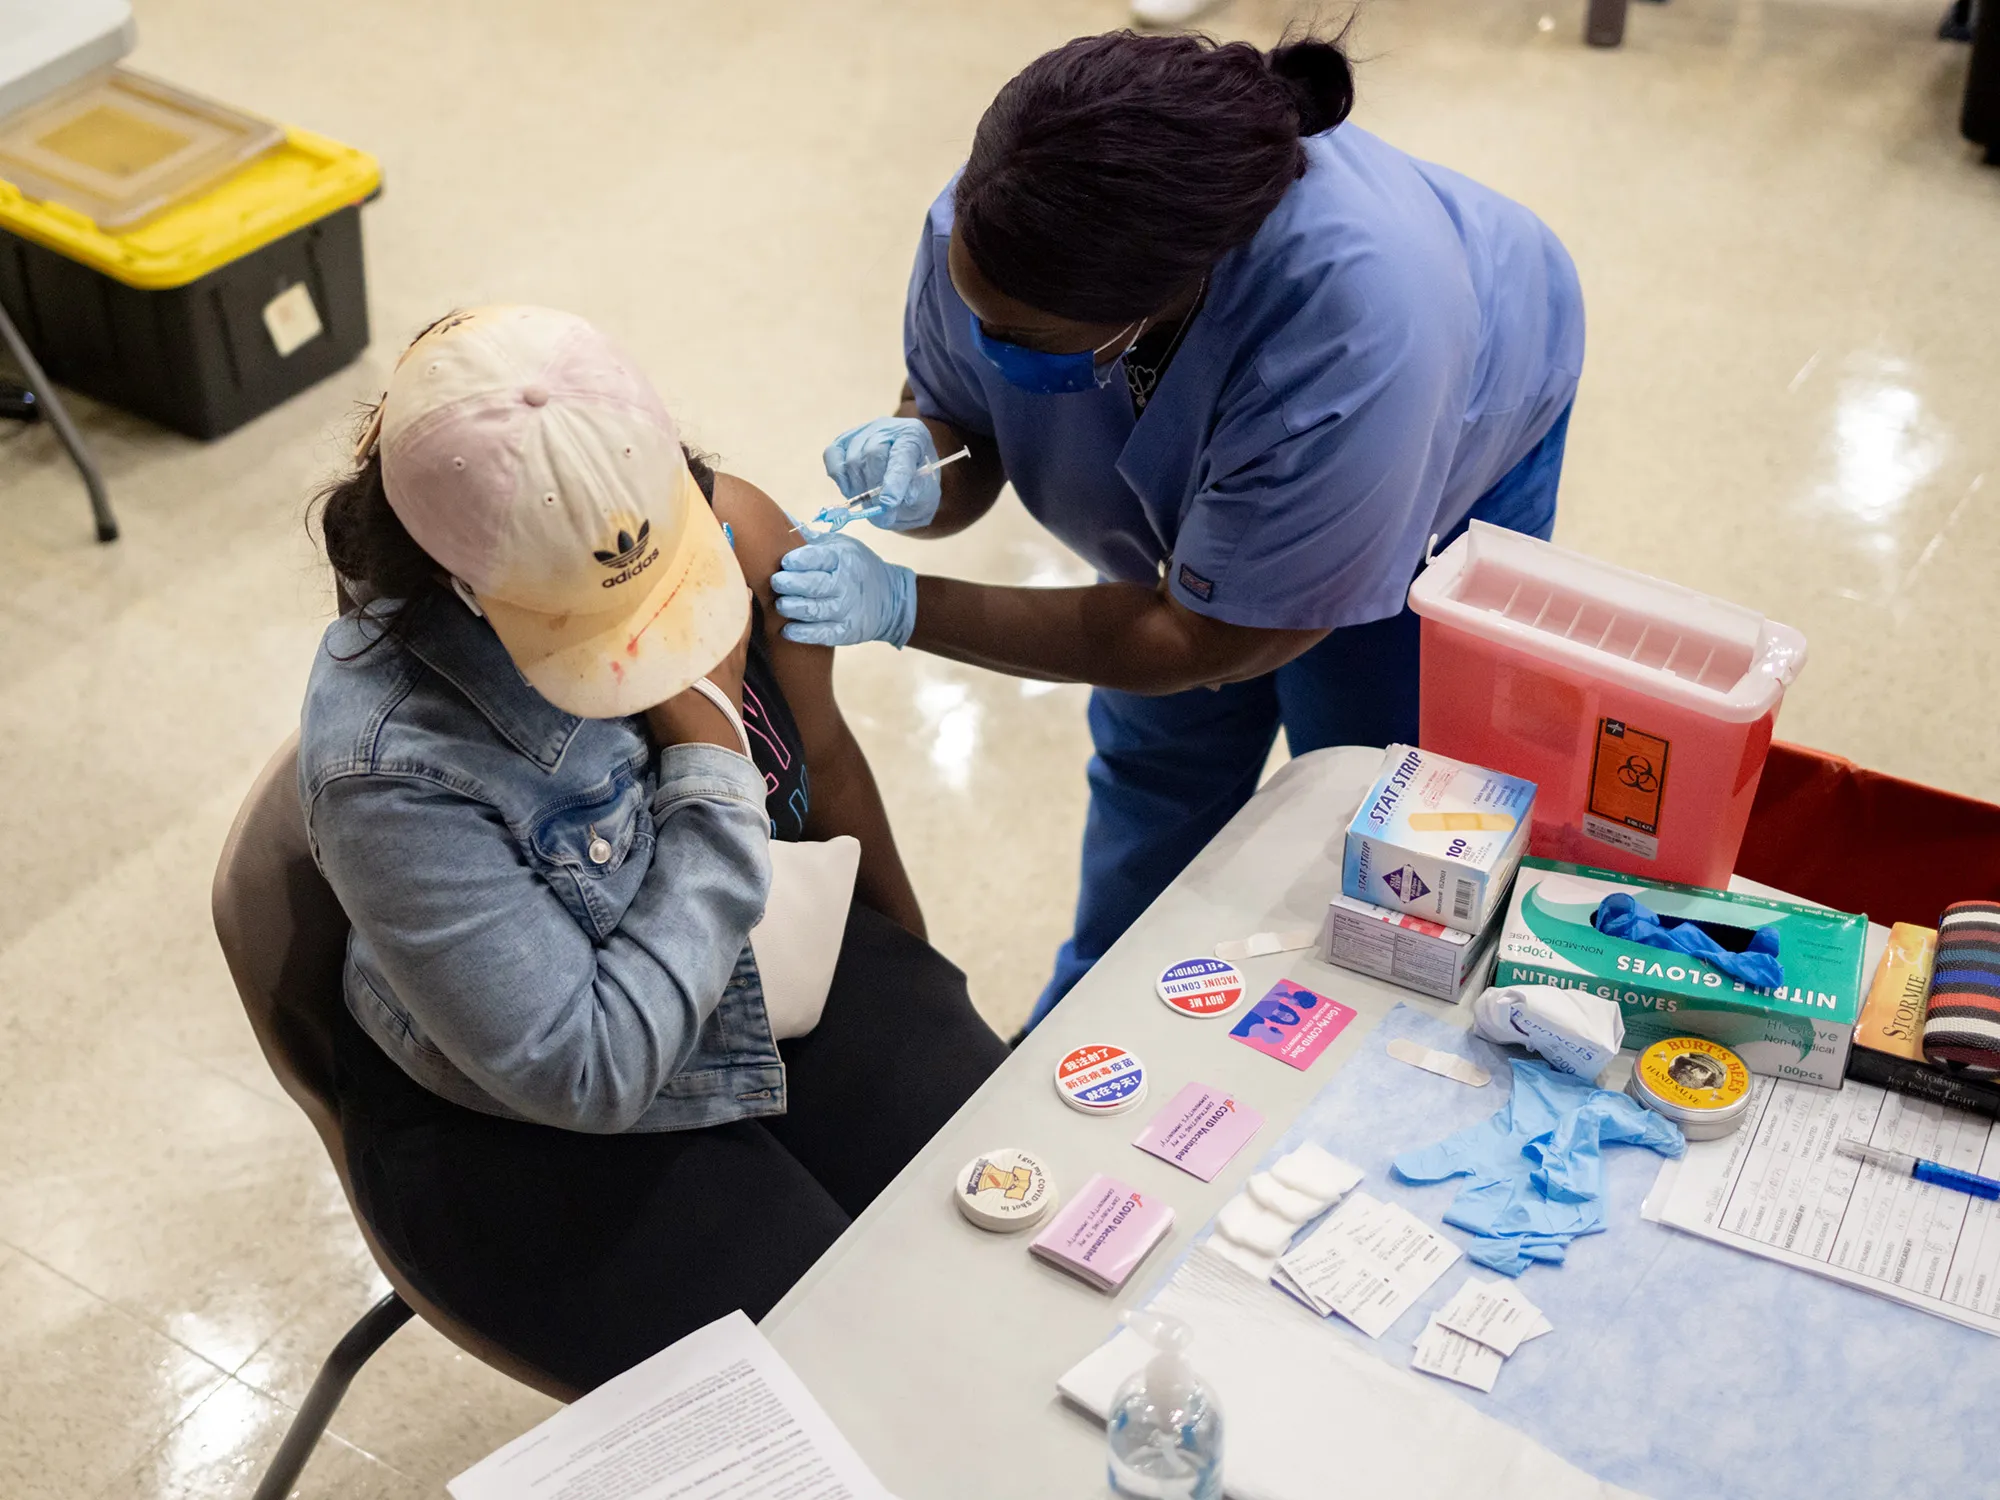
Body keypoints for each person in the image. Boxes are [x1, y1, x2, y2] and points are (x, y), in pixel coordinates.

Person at [771, 31, 1584, 1033]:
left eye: (1018, 336)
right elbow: (966, 426)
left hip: (1440, 442)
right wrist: (924, 452)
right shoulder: (1002, 217)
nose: (985, 342)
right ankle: (1087, 1020)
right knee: (1156, 762)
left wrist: (902, 606)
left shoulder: (1360, 327)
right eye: (975, 310)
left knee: (1376, 799)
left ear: (1148, 304)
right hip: (1236, 422)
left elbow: (1202, 639)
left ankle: (1358, 1044)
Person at [300, 305, 1004, 1392]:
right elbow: (591, 1068)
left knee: (1010, 1201)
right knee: (853, 1376)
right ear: (462, 588)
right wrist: (708, 755)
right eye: (596, 633)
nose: (658, 640)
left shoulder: (719, 520)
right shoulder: (389, 769)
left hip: (757, 956)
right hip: (531, 1111)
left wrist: (905, 970)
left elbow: (826, 766)